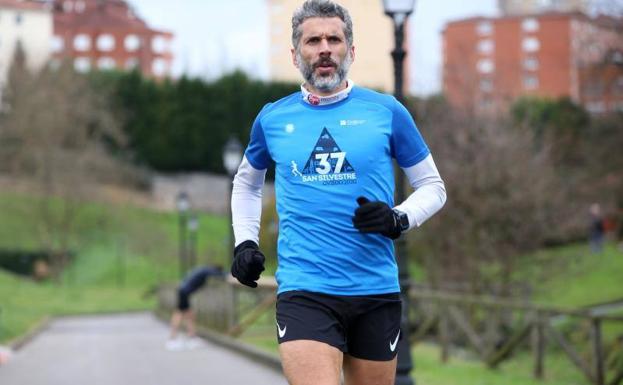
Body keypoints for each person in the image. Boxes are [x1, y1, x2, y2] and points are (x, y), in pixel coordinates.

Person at [230, 1, 446, 384]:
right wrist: (245, 242)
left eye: (335, 38)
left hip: (374, 289)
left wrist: (398, 218)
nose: (325, 47)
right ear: (296, 54)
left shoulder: (386, 111)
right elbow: (246, 182)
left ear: (352, 50)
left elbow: (433, 186)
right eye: (313, 40)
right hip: (305, 289)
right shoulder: (273, 118)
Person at [166, 264, 225, 350]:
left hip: (183, 292)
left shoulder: (201, 269)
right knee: (179, 315)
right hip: (184, 293)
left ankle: (191, 337)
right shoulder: (207, 270)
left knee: (189, 315)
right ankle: (172, 340)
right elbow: (222, 275)